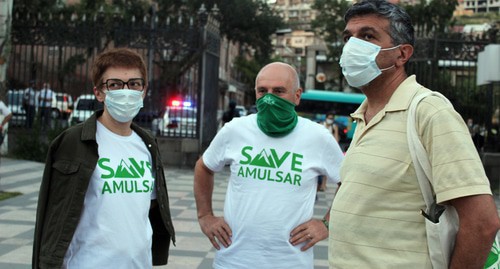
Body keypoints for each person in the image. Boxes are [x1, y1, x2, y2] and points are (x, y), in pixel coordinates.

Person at [329, 0, 500, 268]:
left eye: (367, 36)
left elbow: (482, 222)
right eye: (347, 37)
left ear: (402, 54)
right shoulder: (364, 115)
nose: (352, 46)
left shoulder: (429, 112)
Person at [32, 48, 175, 269]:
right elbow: (53, 215)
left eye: (134, 84)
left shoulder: (147, 145)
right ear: (99, 92)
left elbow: (150, 208)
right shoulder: (73, 142)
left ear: (144, 90)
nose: (126, 92)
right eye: (115, 84)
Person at [194, 62, 344, 269]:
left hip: (291, 262)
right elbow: (204, 167)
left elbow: (349, 182)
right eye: (262, 91)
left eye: (279, 91)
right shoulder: (235, 130)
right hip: (233, 260)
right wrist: (205, 216)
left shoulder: (318, 137)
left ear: (297, 95)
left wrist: (327, 223)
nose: (269, 98)